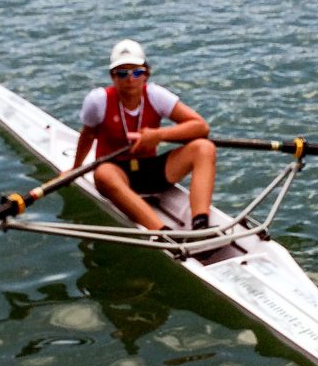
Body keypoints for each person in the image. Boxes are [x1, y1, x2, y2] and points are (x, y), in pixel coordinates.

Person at [71, 39, 215, 231]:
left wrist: (159, 135)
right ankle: (163, 233)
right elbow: (87, 136)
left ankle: (201, 224)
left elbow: (201, 127)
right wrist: (75, 168)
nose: (130, 79)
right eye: (122, 73)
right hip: (115, 173)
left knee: (204, 148)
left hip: (150, 171)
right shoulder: (98, 101)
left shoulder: (156, 95)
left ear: (146, 74)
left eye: (137, 72)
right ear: (113, 77)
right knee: (103, 173)